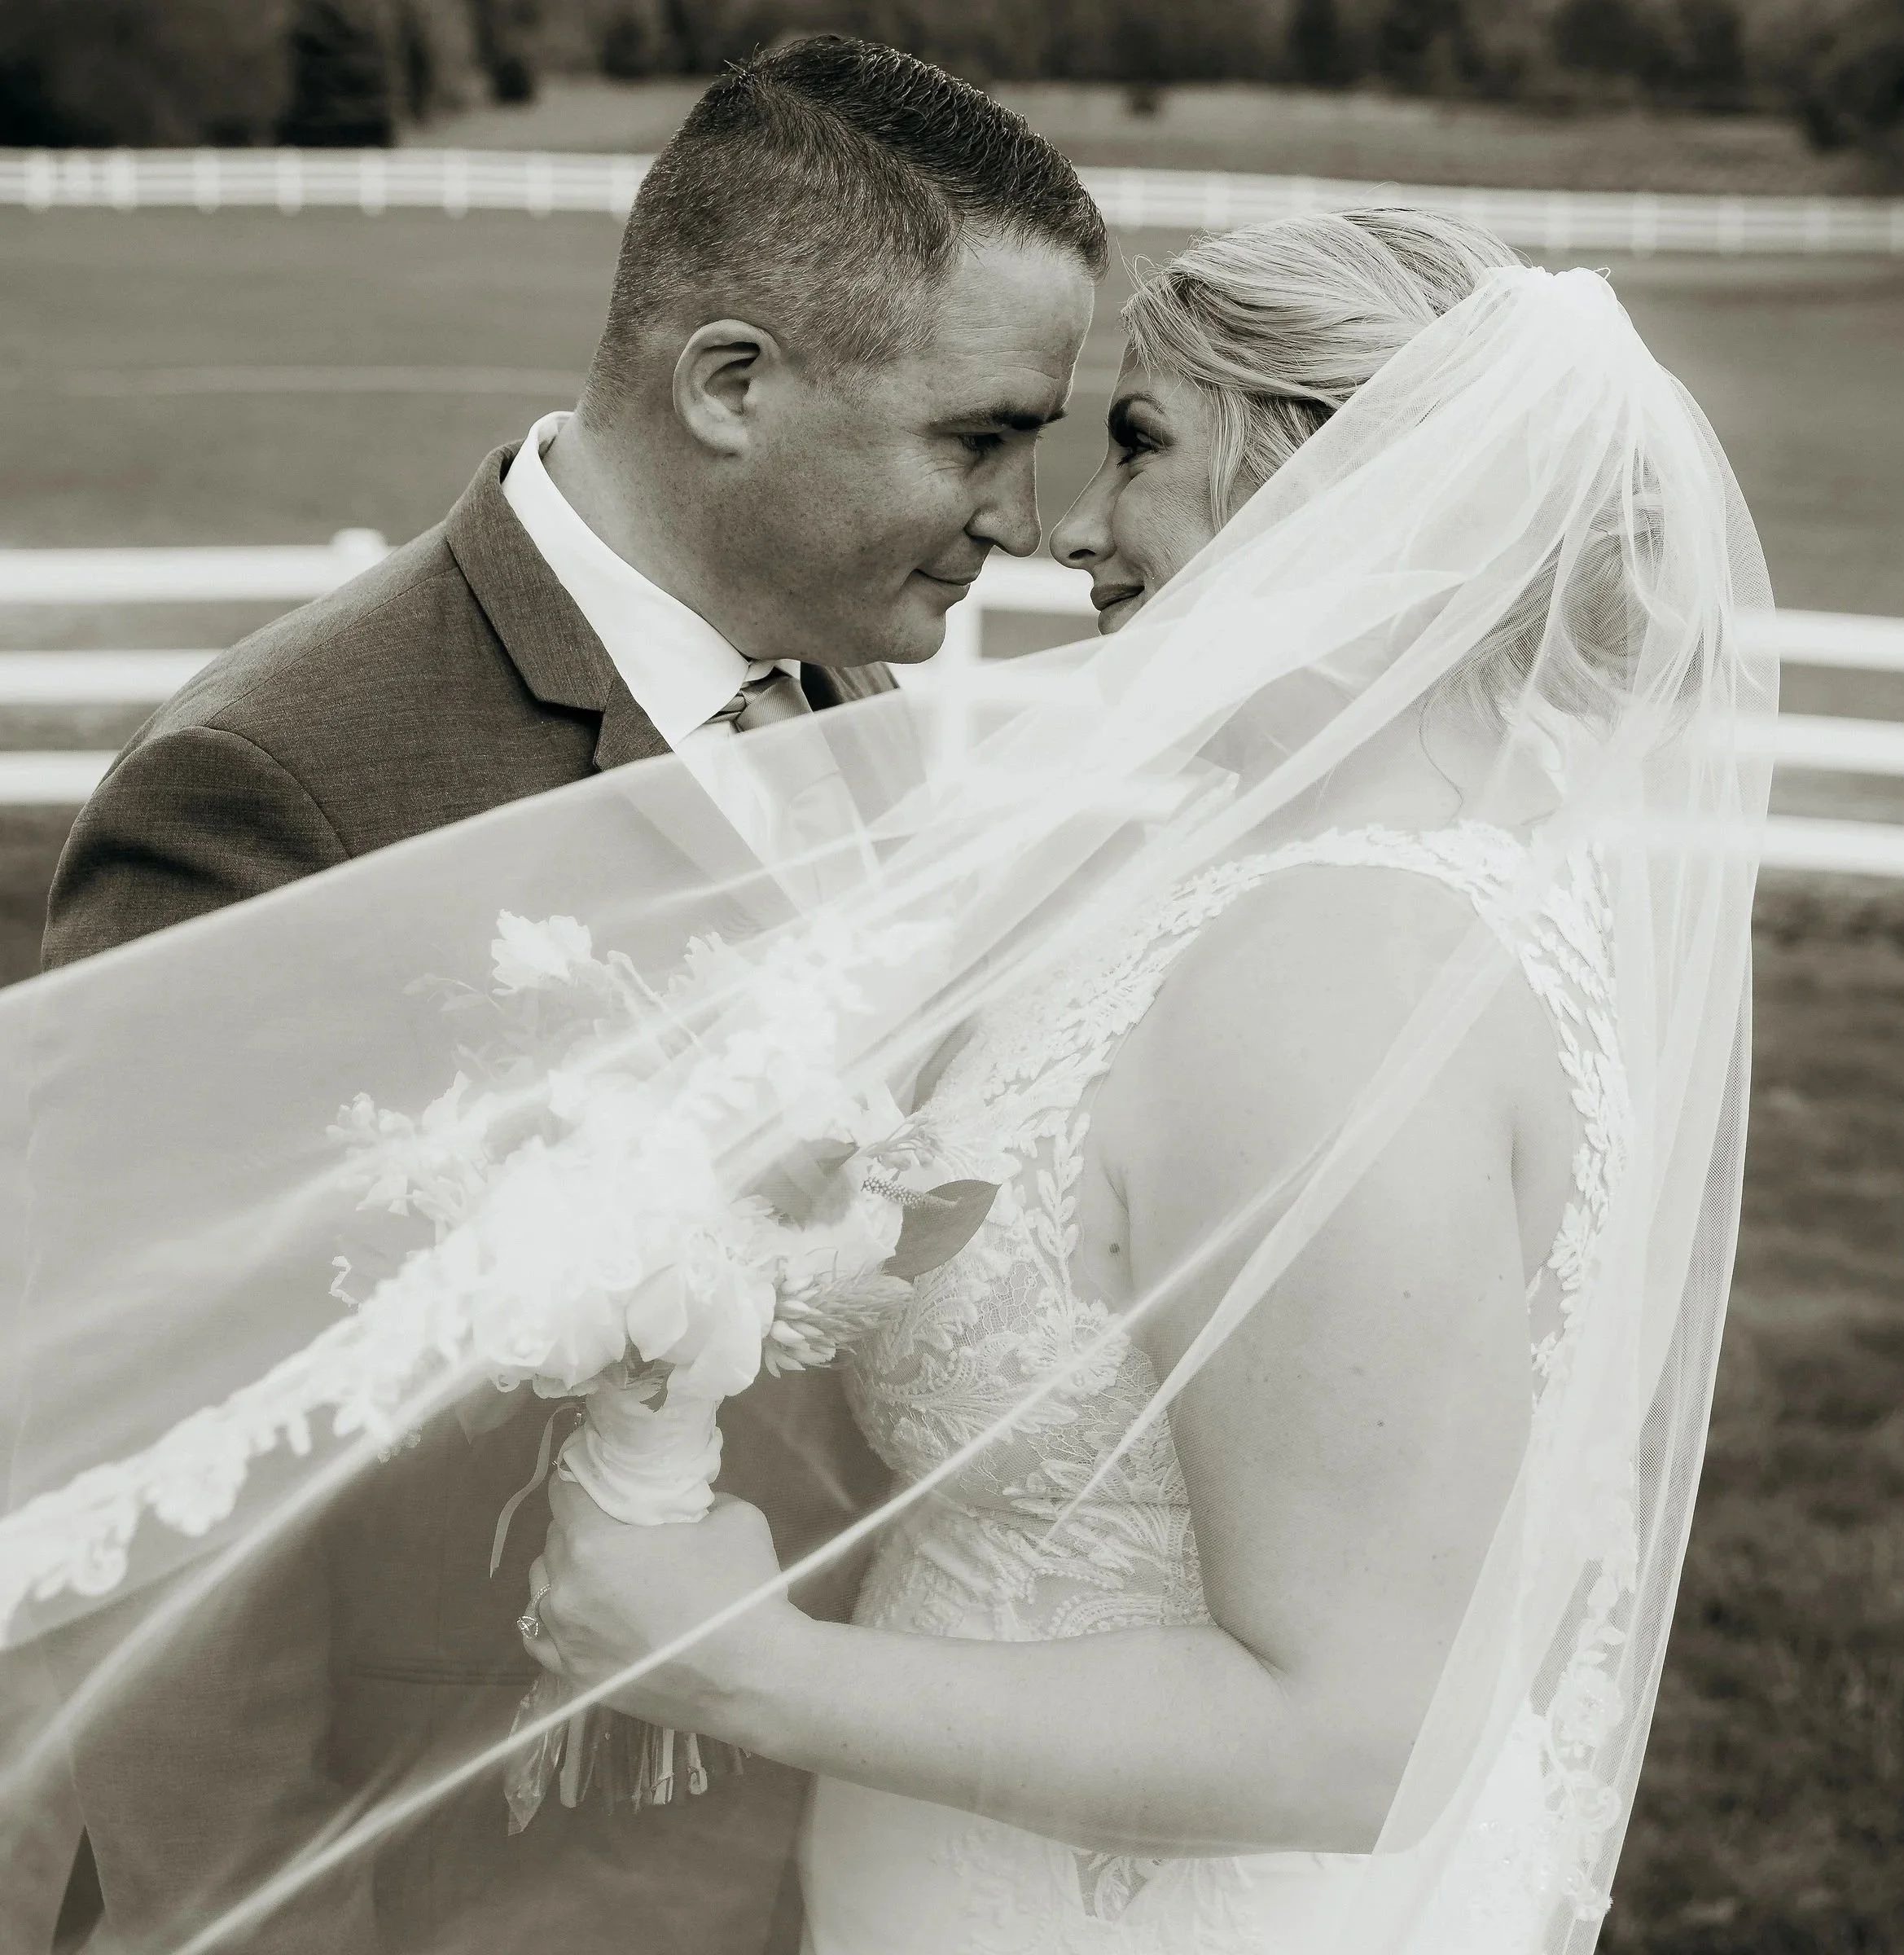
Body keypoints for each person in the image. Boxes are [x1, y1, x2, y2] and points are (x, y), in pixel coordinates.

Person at [522, 211, 1775, 1951]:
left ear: (1348, 499)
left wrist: (743, 1670)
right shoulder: (1246, 868)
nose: (1077, 533)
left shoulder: (1339, 974)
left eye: (1141, 445)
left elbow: (1355, 1735)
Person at [29, 37, 1102, 1955]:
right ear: (731, 386)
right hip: (444, 1871)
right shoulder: (278, 785)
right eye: (979, 437)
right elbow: (148, 1506)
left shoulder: (849, 706)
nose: (1018, 519)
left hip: (801, 1838)